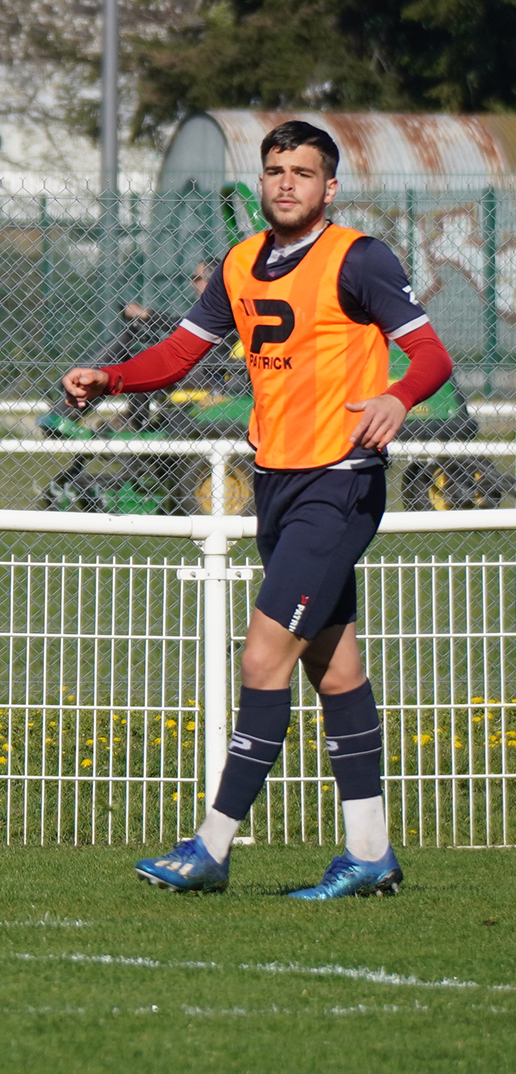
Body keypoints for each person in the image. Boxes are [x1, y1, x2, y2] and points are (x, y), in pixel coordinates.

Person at [62, 120, 454, 899]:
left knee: (262, 658)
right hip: (276, 482)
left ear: (329, 187)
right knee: (334, 670)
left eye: (302, 173)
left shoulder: (359, 259)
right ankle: (370, 854)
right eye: (275, 170)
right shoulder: (241, 263)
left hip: (339, 481)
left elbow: (432, 355)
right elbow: (181, 353)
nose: (285, 184)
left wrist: (397, 397)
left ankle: (211, 847)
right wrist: (113, 378)